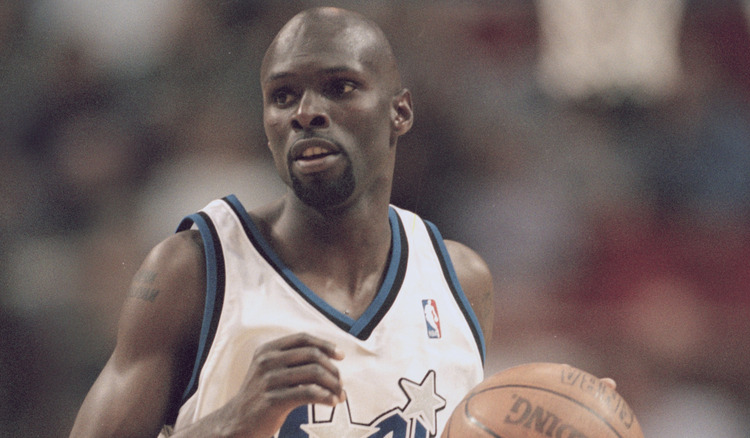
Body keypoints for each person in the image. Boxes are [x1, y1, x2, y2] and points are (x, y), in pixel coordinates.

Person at [69, 6, 494, 438]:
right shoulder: (193, 270)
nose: (305, 112)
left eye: (340, 87)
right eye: (283, 96)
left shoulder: (460, 281)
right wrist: (232, 422)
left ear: (399, 112)